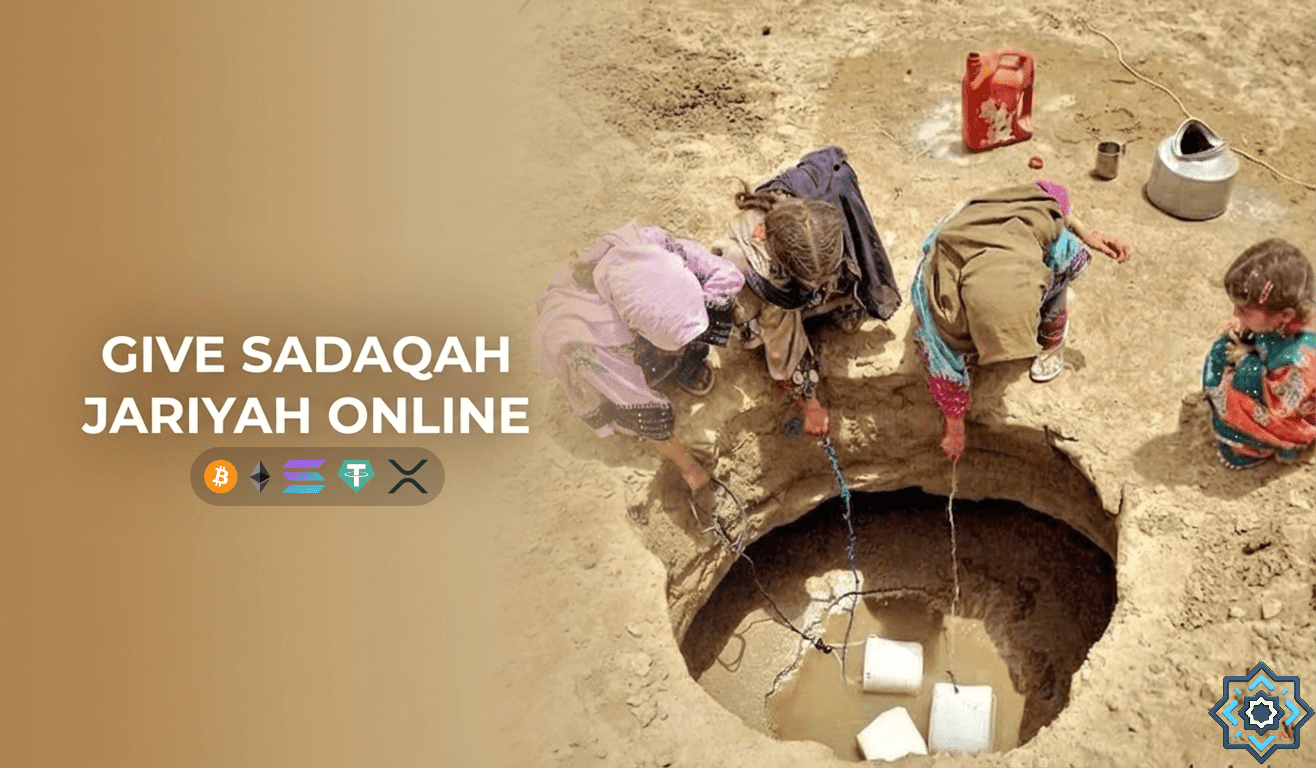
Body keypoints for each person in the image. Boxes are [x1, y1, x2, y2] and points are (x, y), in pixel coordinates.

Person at [910, 180, 1131, 460]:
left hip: (1009, 239)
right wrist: (955, 429)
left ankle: (1052, 336)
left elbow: (1053, 193)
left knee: (1066, 261)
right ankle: (976, 347)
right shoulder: (940, 305)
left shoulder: (1039, 222)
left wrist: (1087, 233)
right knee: (954, 356)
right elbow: (942, 369)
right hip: (961, 236)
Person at [532, 222, 744, 490]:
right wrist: (689, 467)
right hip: (595, 346)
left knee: (693, 327)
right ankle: (621, 417)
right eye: (673, 346)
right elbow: (638, 401)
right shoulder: (590, 341)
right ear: (638, 330)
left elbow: (723, 274)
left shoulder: (653, 249)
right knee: (630, 404)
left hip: (637, 323)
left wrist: (707, 312)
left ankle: (682, 363)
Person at [712, 147, 901, 436]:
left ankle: (827, 299)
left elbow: (837, 171)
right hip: (762, 287)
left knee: (838, 276)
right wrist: (810, 404)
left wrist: (827, 278)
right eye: (812, 278)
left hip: (795, 269)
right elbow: (781, 343)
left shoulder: (820, 213)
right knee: (769, 321)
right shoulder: (759, 270)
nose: (819, 282)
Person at [1202, 238, 1316, 469]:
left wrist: (1246, 360)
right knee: (1223, 348)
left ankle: (1256, 446)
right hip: (1274, 365)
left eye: (1243, 309)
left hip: (1290, 410)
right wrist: (1245, 332)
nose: (1235, 312)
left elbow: (1281, 405)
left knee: (1237, 382)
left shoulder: (1300, 361)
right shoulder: (1284, 318)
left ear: (1284, 315)